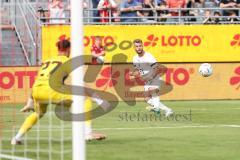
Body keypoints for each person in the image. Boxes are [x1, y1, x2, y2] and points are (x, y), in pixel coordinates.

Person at [11, 38, 108, 145]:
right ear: (68, 49)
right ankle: (87, 133)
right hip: (51, 90)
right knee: (85, 100)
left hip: (37, 91)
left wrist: (30, 102)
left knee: (38, 113)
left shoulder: (48, 60)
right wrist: (99, 100)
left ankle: (17, 138)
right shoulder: (68, 61)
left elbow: (37, 81)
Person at [129, 39, 173, 117]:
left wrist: (151, 76)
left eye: (140, 46)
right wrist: (133, 73)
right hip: (147, 80)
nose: (138, 48)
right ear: (134, 47)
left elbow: (157, 68)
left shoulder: (148, 56)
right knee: (147, 99)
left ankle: (156, 108)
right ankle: (167, 110)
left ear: (142, 46)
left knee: (152, 91)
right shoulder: (135, 58)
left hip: (155, 77)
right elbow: (138, 71)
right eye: (136, 46)